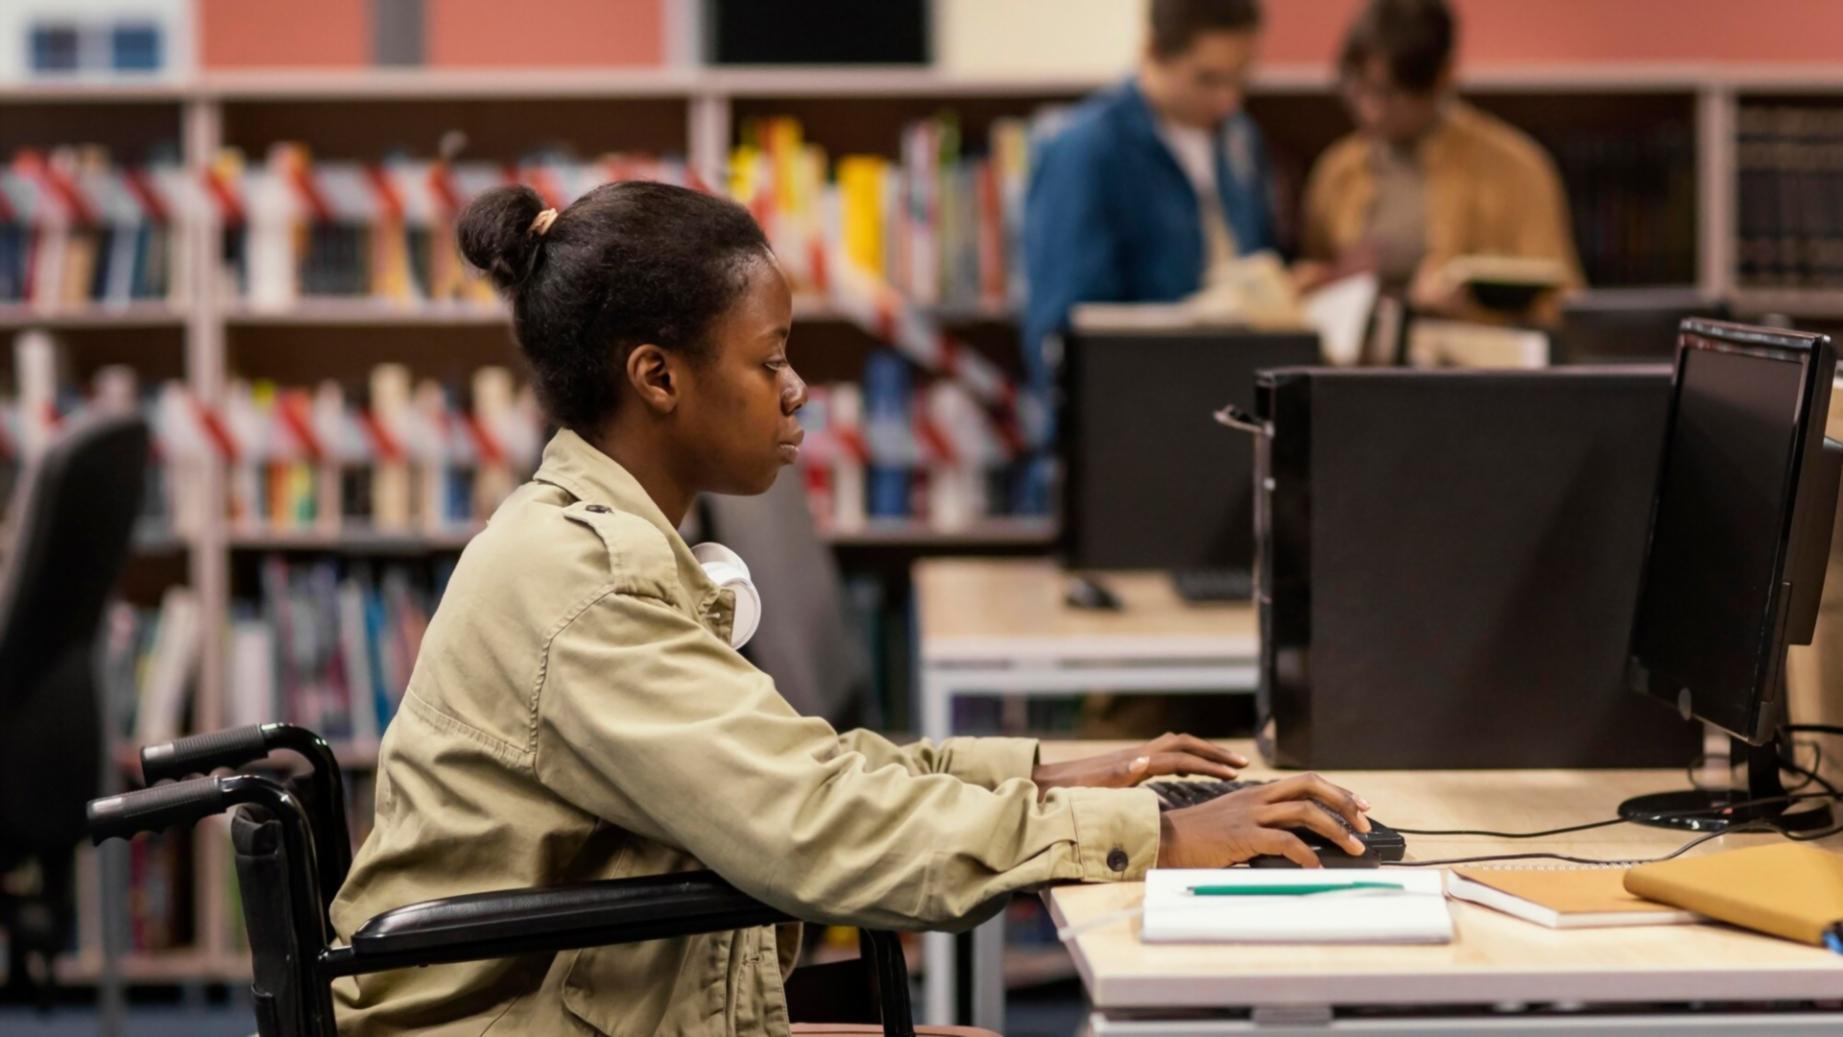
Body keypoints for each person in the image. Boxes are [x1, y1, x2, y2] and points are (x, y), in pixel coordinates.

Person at [328, 180, 1374, 1035]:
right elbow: (817, 828)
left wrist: (1050, 769)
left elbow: (793, 774)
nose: (798, 390)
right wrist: (1150, 832)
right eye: (770, 357)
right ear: (657, 377)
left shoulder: (597, 539)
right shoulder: (588, 584)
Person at [1023, 0, 1277, 389]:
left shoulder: (1241, 139)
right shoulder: (1087, 150)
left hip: (1236, 393)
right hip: (1147, 406)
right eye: (1208, 79)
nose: (1229, 100)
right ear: (1153, 52)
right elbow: (1063, 330)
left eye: (1241, 78)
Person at [1298, 0, 1584, 320]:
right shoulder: (1338, 171)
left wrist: (1473, 310)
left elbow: (1560, 305)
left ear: (1442, 79)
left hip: (1477, 360)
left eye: (1389, 94)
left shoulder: (1514, 169)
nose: (1370, 110)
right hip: (1360, 362)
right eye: (1356, 89)